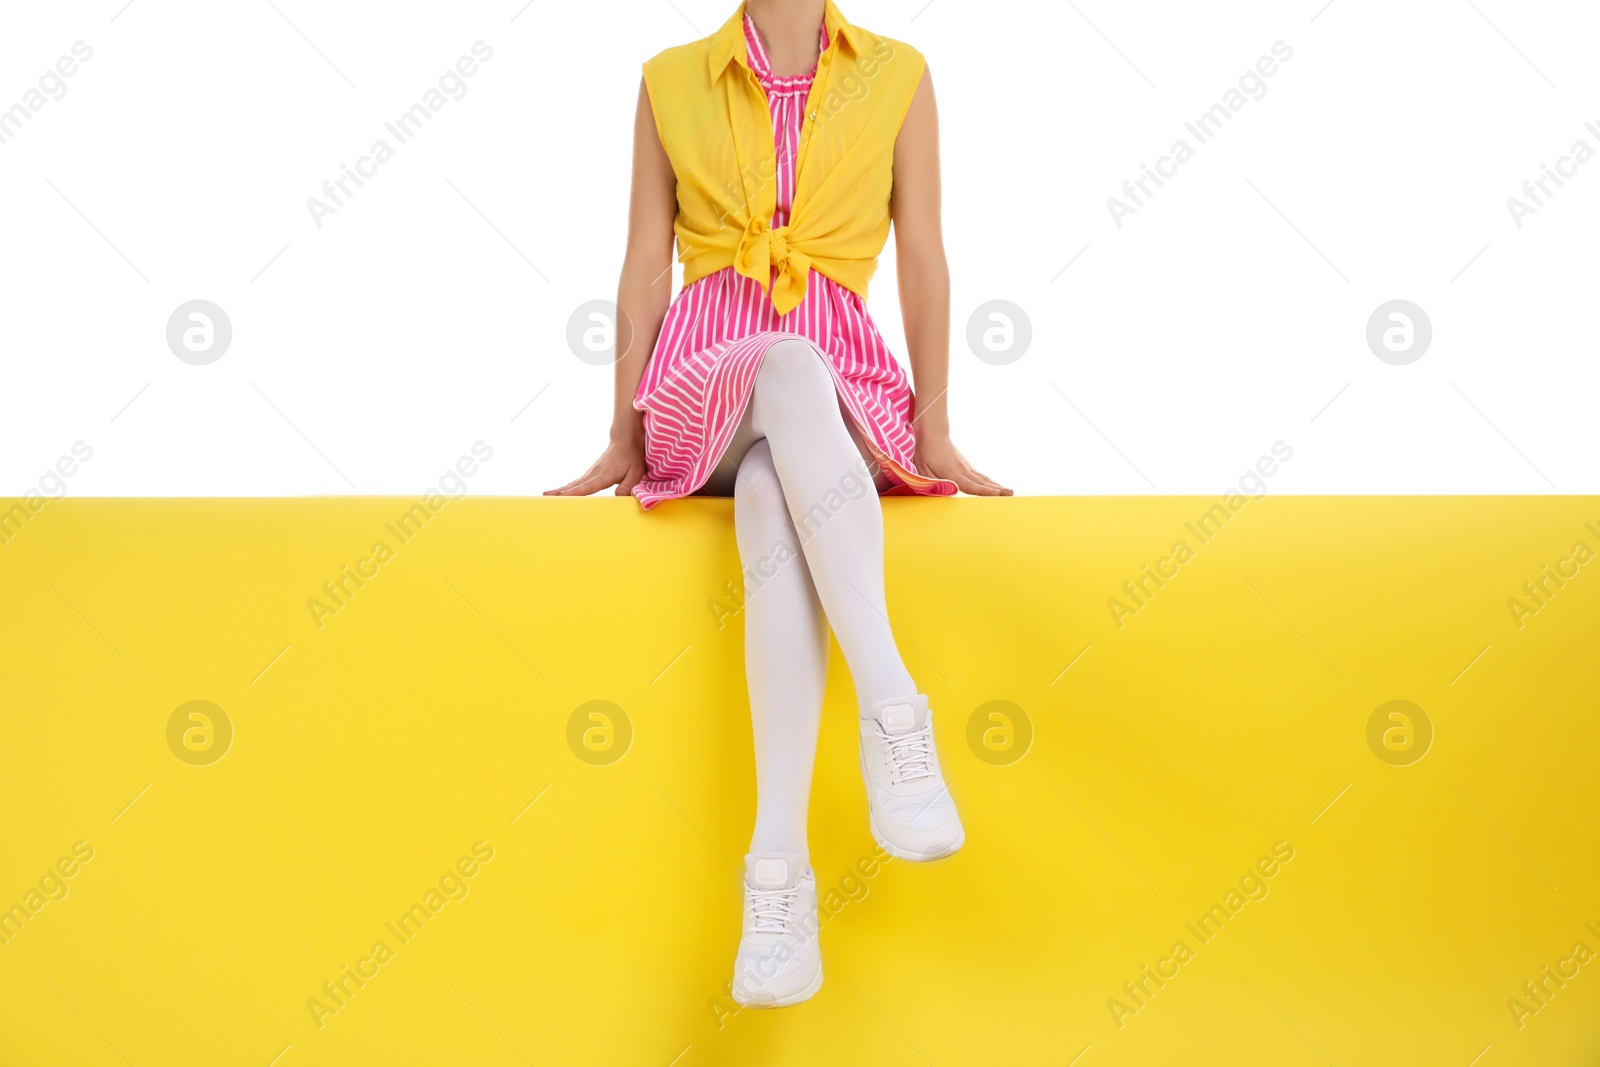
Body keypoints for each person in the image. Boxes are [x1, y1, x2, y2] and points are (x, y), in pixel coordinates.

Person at [547, 0, 1009, 1008]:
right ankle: (893, 706)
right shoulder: (669, 75)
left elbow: (924, 255)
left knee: (769, 491)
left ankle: (777, 877)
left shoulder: (898, 72)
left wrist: (932, 434)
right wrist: (621, 438)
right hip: (701, 382)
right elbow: (641, 262)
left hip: (840, 385)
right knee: (784, 367)